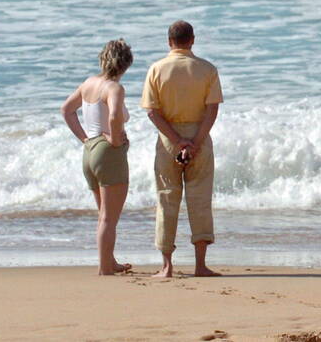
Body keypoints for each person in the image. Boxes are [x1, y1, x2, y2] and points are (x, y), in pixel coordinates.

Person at [141, 20, 224, 277]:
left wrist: (177, 141)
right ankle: (200, 265)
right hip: (199, 135)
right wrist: (196, 141)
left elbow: (152, 112)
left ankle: (167, 266)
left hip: (169, 139)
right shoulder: (207, 69)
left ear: (169, 42)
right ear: (193, 40)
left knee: (167, 198)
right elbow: (212, 110)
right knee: (199, 199)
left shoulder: (156, 69)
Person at [60, 39, 135, 275]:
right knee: (108, 218)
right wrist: (114, 140)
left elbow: (66, 110)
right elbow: (113, 116)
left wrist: (84, 139)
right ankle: (105, 269)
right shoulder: (114, 88)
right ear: (126, 64)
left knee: (104, 214)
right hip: (108, 153)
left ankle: (109, 262)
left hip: (90, 150)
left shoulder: (89, 83)